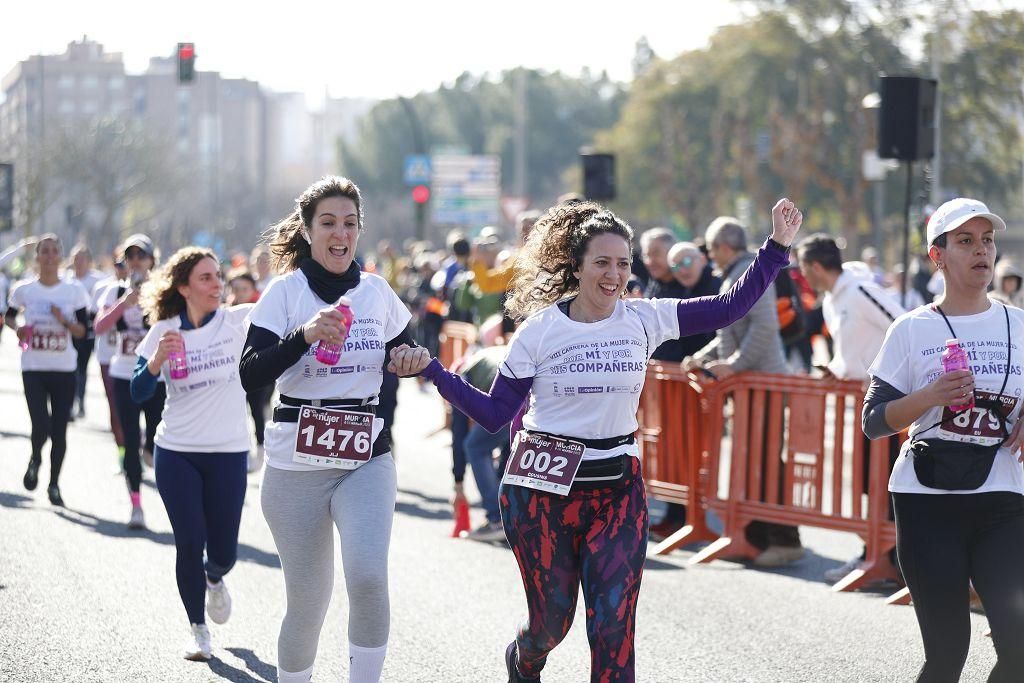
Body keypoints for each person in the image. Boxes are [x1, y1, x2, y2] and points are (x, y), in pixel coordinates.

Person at [390, 197, 803, 682]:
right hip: (541, 493)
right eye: (602, 263)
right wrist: (436, 371)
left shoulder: (644, 318)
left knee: (613, 628)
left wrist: (776, 246)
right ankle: (524, 658)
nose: (614, 275)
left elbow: (729, 306)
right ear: (578, 267)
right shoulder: (540, 331)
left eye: (623, 264)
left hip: (617, 491)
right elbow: (495, 414)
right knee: (551, 624)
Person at [239, 176, 415, 683]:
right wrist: (305, 334)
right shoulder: (285, 293)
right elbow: (250, 373)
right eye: (329, 223)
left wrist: (407, 359)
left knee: (367, 577)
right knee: (309, 601)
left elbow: (407, 347)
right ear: (309, 230)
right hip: (296, 465)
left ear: (360, 230)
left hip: (365, 457)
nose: (341, 234)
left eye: (350, 224)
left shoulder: (377, 292)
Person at [863, 197, 1024, 681]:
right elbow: (874, 421)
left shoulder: (1020, 323)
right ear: (938, 256)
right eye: (966, 241)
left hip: (1003, 497)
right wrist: (928, 395)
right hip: (927, 500)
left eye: (987, 240)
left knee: (1019, 648)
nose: (982, 251)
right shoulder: (912, 330)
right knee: (948, 653)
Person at [130, 247, 252, 661]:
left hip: (229, 451)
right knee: (189, 541)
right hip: (177, 451)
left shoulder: (238, 322)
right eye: (205, 278)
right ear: (183, 287)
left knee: (223, 551)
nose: (217, 284)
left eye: (218, 276)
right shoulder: (164, 330)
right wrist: (155, 362)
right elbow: (137, 391)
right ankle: (199, 630)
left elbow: (287, 311)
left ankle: (215, 578)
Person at [684, 215, 805, 567]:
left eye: (711, 249)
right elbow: (727, 331)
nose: (709, 256)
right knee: (754, 462)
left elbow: (765, 327)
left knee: (766, 463)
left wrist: (733, 366)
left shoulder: (750, 271)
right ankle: (756, 537)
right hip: (751, 386)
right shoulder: (735, 272)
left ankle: (785, 539)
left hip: (763, 385)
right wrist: (703, 358)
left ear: (723, 247)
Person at [796, 234, 905, 582]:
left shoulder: (860, 291)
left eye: (802, 268)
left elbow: (906, 325)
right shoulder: (831, 300)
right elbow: (849, 354)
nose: (802, 275)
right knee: (867, 481)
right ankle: (877, 552)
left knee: (887, 479)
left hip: (892, 401)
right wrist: (838, 370)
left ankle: (894, 557)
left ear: (814, 266)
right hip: (863, 401)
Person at [4, 235, 91, 506]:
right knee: (40, 424)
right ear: (37, 257)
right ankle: (35, 458)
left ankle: (54, 484)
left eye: (55, 251)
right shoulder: (24, 289)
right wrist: (17, 328)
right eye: (45, 251)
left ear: (61, 256)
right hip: (34, 367)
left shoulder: (74, 291)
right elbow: (8, 315)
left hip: (64, 369)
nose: (50, 256)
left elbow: (83, 331)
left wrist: (62, 320)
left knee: (60, 430)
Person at [648, 241, 722, 540]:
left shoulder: (715, 286)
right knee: (675, 452)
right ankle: (678, 516)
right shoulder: (670, 289)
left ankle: (694, 517)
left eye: (688, 261)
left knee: (697, 453)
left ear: (702, 258)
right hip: (675, 386)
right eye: (676, 265)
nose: (683, 269)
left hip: (704, 385)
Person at [95, 234, 164, 529]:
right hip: (124, 374)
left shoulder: (163, 292)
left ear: (151, 261)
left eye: (142, 256)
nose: (136, 262)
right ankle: (136, 504)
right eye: (131, 256)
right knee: (130, 439)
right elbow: (98, 327)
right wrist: (124, 303)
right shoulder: (115, 292)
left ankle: (151, 449)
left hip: (156, 376)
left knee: (155, 434)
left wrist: (150, 302)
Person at [228, 269, 269, 472]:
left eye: (244, 289)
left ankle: (261, 451)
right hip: (232, 374)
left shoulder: (262, 310)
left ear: (253, 289)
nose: (240, 292)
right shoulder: (223, 313)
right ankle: (241, 453)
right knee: (236, 414)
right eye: (236, 288)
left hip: (257, 370)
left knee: (257, 411)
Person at [64, 244, 105, 419]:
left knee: (81, 367)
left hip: (88, 332)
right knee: (70, 367)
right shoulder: (65, 280)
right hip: (68, 330)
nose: (79, 262)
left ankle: (79, 400)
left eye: (82, 259)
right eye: (76, 258)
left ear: (89, 262)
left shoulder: (98, 281)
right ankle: (71, 402)